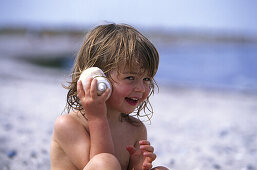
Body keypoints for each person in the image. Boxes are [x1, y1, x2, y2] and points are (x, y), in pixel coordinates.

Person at [50, 23, 168, 170]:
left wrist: (138, 166)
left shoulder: (136, 129)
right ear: (98, 78)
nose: (141, 88)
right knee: (105, 161)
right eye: (130, 78)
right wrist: (97, 117)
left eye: (146, 79)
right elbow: (102, 165)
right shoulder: (68, 124)